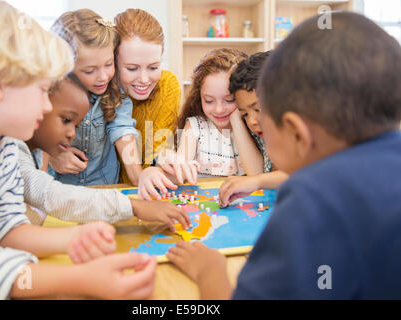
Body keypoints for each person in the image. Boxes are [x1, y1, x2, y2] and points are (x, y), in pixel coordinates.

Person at [167, 12, 401, 299]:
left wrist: (210, 271)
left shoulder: (309, 202)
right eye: (244, 115)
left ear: (295, 131)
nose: (254, 124)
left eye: (262, 115)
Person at [0, 0, 155, 299]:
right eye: (42, 90)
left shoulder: (4, 148)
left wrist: (73, 237)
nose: (47, 106)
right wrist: (80, 279)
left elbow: (6, 230)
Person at [19, 75, 190, 232]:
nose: (72, 134)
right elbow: (50, 196)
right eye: (66, 120)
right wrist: (134, 207)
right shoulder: (16, 152)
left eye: (76, 125)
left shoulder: (17, 151)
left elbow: (46, 193)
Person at [139, 48, 264, 200]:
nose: (219, 109)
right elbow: (179, 171)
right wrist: (154, 172)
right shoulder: (195, 126)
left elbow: (257, 175)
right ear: (200, 98)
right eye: (209, 101)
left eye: (230, 100)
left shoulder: (253, 125)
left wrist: (236, 120)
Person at [47, 9, 142, 186]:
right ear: (65, 68)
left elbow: (123, 132)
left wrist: (139, 176)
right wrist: (54, 156)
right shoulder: (48, 97)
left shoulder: (116, 96)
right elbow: (33, 142)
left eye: (108, 64)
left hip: (102, 189)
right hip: (59, 190)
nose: (104, 76)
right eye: (90, 71)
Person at [114, 9, 182, 187]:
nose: (144, 79)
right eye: (132, 68)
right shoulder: (104, 89)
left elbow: (159, 148)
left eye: (153, 67)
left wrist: (160, 163)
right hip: (110, 189)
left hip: (146, 184)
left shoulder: (167, 85)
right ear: (114, 62)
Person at [219, 51, 288, 207]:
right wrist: (235, 118)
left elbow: (309, 172)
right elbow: (256, 173)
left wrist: (257, 181)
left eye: (258, 109)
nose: (251, 121)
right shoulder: (264, 132)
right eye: (245, 114)